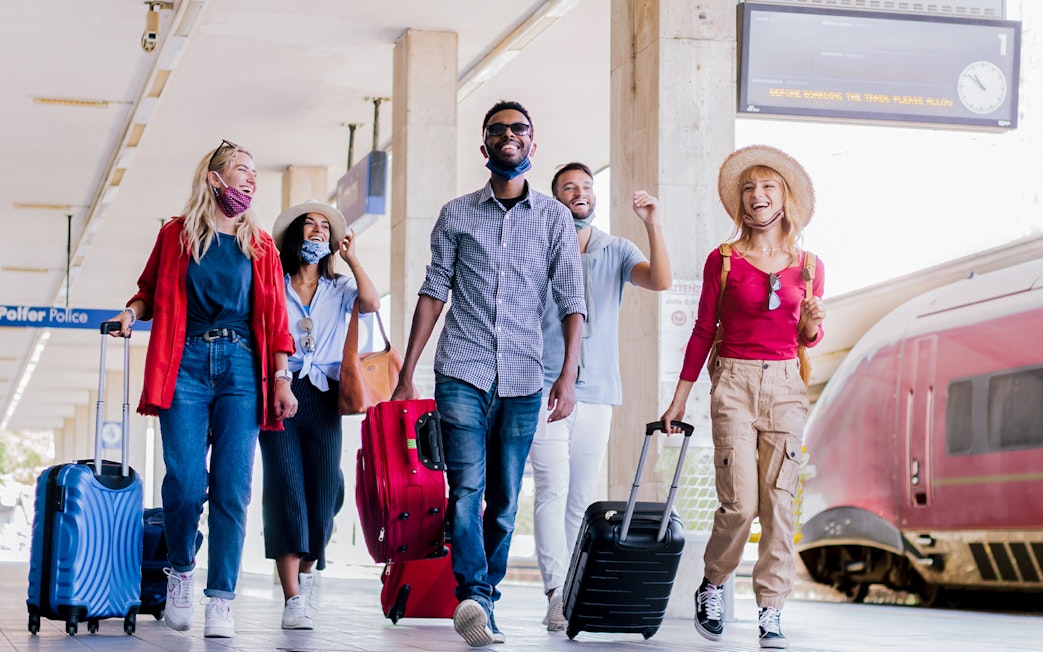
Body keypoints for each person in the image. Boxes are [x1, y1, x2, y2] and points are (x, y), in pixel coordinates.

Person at [390, 100, 586, 648]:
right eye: (497, 130)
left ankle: (487, 599)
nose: (508, 136)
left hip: (525, 377)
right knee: (465, 488)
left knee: (503, 498)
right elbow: (433, 293)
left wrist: (567, 377)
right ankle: (473, 595)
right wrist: (409, 373)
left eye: (518, 129)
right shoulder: (456, 214)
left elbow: (573, 300)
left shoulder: (553, 218)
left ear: (532, 143)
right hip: (462, 370)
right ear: (484, 147)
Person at [108, 139, 297, 638]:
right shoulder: (176, 235)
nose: (251, 180)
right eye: (241, 170)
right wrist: (130, 314)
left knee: (233, 487)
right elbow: (148, 291)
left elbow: (277, 319)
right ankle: (181, 571)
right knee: (187, 484)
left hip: (242, 366)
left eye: (255, 172)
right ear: (215, 179)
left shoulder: (261, 245)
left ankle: (221, 599)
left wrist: (281, 378)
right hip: (185, 362)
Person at [660, 145, 825, 649]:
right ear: (741, 201)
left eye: (768, 186)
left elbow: (806, 338)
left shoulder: (810, 267)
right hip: (732, 382)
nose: (758, 195)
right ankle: (713, 584)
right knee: (740, 504)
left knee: (779, 502)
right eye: (750, 188)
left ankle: (771, 609)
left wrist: (813, 327)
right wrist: (679, 399)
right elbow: (701, 331)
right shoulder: (724, 260)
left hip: (785, 387)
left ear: (784, 198)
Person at [530, 162, 671, 631]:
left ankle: (574, 592)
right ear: (555, 199)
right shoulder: (540, 246)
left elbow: (660, 280)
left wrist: (652, 222)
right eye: (569, 187)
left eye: (587, 187)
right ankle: (555, 592)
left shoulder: (616, 249)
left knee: (580, 498)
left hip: (598, 394)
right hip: (544, 387)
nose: (580, 193)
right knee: (552, 489)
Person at [260, 202, 381, 630]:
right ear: (294, 235)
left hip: (326, 396)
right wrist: (278, 380)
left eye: (323, 227)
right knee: (286, 489)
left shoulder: (340, 287)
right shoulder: (273, 283)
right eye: (308, 224)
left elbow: (370, 303)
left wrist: (351, 257)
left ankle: (307, 574)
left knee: (326, 492)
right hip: (280, 390)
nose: (315, 231)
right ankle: (293, 598)